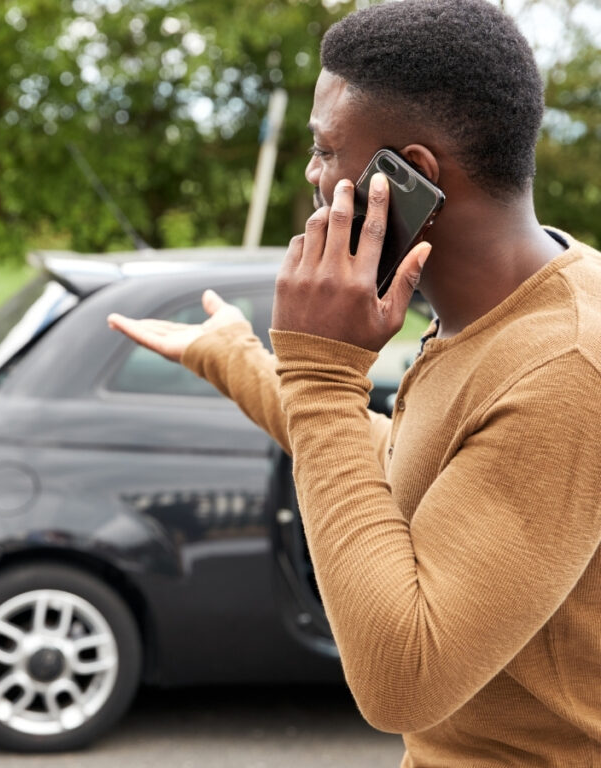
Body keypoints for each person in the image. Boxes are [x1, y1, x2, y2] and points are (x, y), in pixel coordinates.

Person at [107, 0, 601, 764]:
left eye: (328, 149)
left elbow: (403, 680)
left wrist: (322, 373)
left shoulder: (568, 368)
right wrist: (237, 359)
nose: (312, 174)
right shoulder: (510, 309)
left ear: (411, 177)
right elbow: (416, 461)